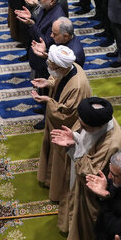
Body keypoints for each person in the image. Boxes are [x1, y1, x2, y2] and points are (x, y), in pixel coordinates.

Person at [51, 97, 121, 240]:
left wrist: (74, 148)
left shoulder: (111, 144)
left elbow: (91, 173)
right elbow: (84, 137)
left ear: (98, 126)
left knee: (86, 221)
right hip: (79, 164)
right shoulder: (93, 117)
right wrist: (75, 138)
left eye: (84, 125)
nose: (80, 125)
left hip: (91, 188)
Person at [34, 45, 91, 203]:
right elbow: (57, 78)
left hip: (67, 128)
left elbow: (67, 115)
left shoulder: (77, 85)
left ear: (60, 66)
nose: (48, 67)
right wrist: (48, 83)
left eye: (51, 65)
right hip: (57, 118)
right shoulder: (69, 68)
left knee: (60, 161)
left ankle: (59, 193)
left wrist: (48, 101)